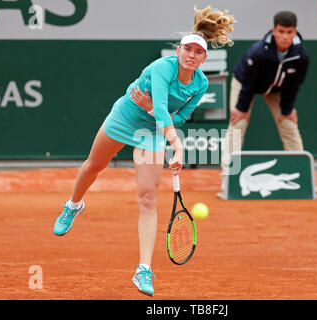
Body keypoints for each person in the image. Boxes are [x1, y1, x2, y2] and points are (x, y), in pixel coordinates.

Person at [52, 6, 235, 297]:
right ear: (178, 51)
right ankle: (73, 205)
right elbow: (163, 109)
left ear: (204, 58)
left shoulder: (199, 84)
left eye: (197, 53)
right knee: (93, 167)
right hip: (125, 117)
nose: (191, 56)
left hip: (152, 131)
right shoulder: (162, 68)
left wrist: (159, 120)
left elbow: (180, 116)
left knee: (148, 197)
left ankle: (144, 270)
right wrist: (176, 143)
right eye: (187, 49)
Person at [219, 11, 309, 197]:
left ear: (295, 32)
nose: (285, 36)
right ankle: (228, 178)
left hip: (276, 90)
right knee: (238, 124)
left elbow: (294, 85)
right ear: (273, 30)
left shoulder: (301, 56)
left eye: (289, 32)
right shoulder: (258, 52)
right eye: (281, 31)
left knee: (288, 123)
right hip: (244, 84)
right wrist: (241, 108)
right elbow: (249, 82)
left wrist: (287, 109)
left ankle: (301, 176)